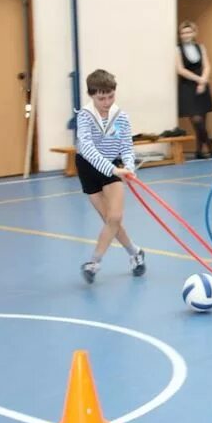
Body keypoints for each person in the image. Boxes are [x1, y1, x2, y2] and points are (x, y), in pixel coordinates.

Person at [76, 69, 146, 284]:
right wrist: (113, 169)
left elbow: (126, 146)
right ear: (92, 95)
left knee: (115, 217)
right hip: (89, 168)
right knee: (109, 220)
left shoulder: (121, 117)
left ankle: (94, 263)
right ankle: (135, 252)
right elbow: (86, 148)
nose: (106, 102)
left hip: (113, 169)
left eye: (110, 96)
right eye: (101, 98)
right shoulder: (85, 116)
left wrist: (129, 166)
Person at [176, 21, 212, 158]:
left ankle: (199, 150)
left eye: (188, 32)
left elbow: (207, 66)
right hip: (188, 85)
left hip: (202, 84)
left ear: (194, 33)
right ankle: (209, 143)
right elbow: (180, 69)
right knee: (196, 120)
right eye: (183, 33)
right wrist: (198, 80)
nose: (186, 35)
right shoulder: (178, 49)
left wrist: (203, 80)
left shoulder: (201, 47)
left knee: (203, 119)